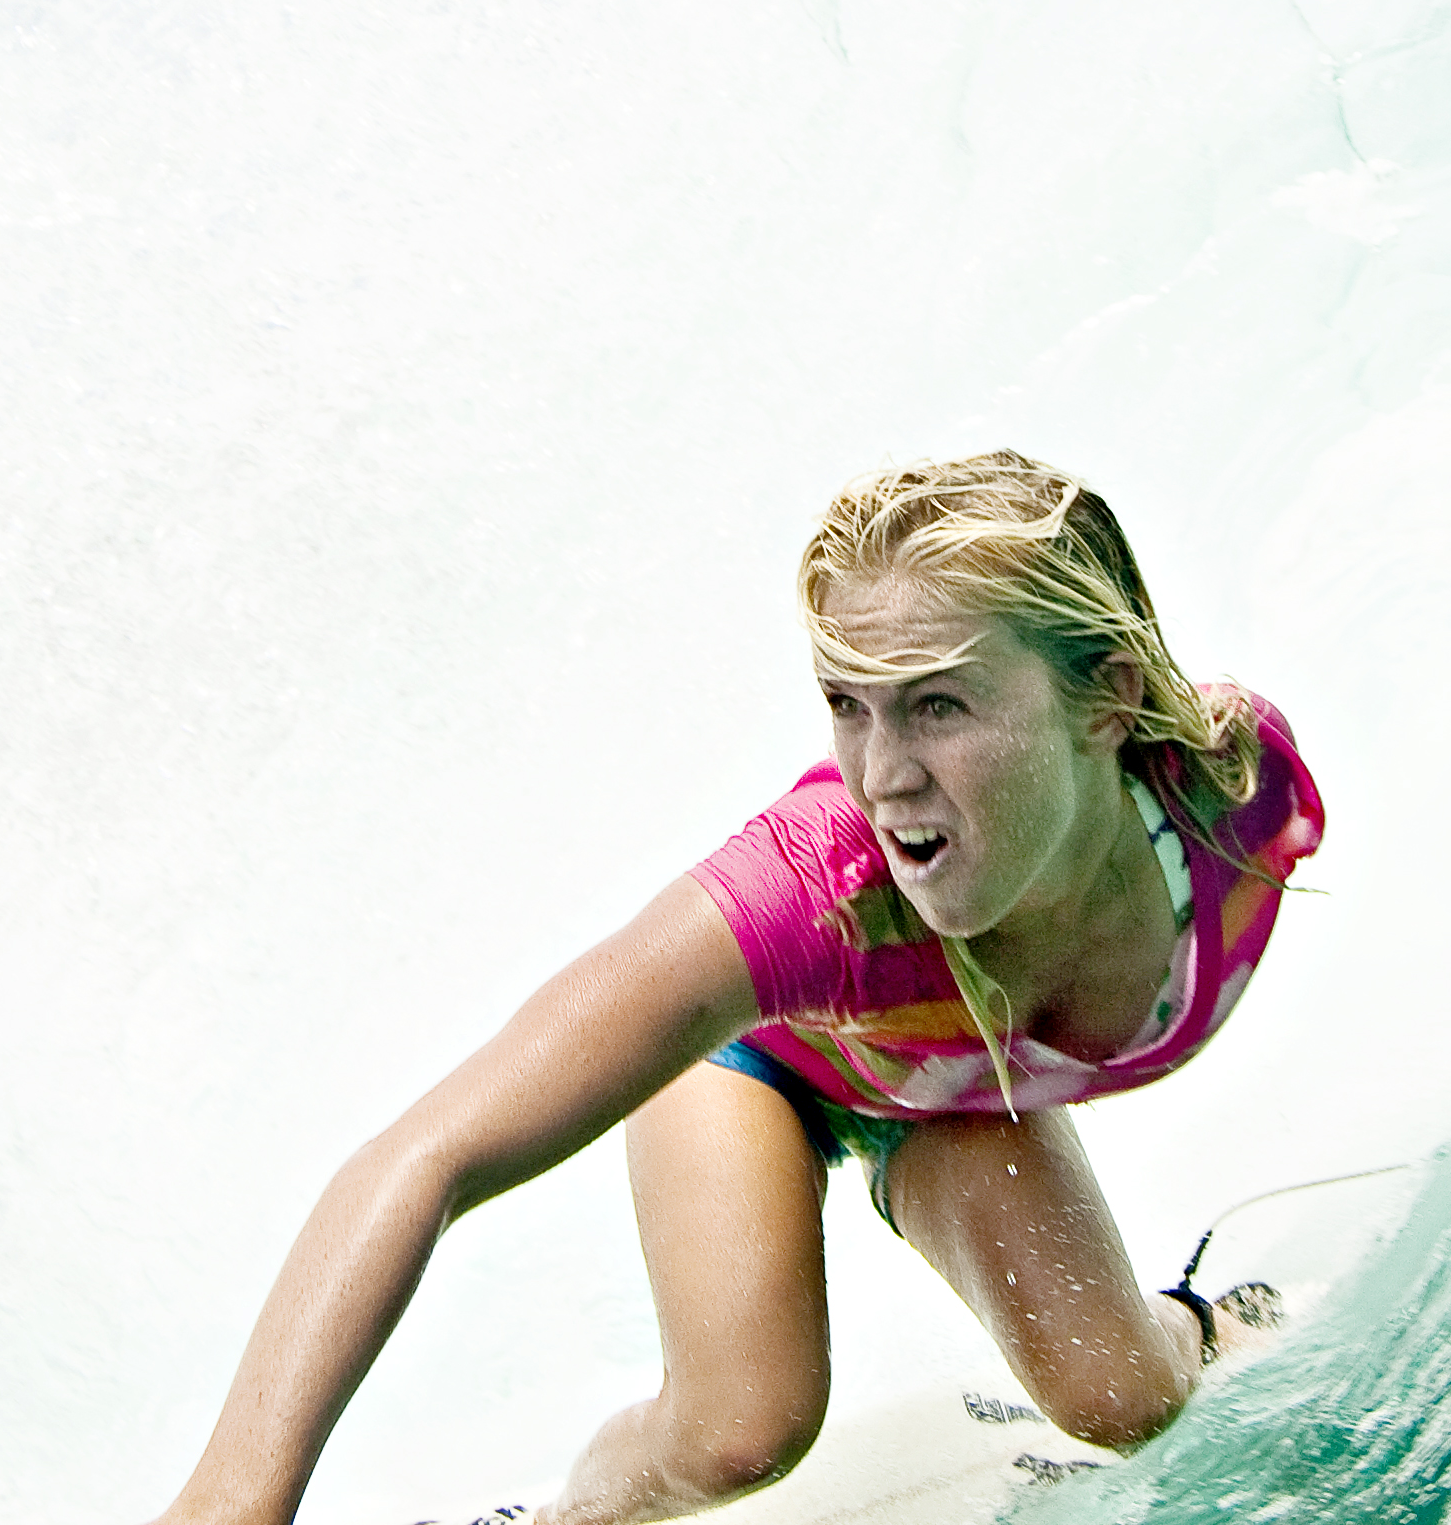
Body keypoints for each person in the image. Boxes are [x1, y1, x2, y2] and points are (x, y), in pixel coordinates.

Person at [144, 451, 1327, 1525]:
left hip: (952, 1080)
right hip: (761, 1062)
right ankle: (560, 1519)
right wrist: (228, 1506)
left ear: (1107, 698)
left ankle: (1198, 1319)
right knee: (740, 1432)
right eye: (846, 704)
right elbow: (428, 1154)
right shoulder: (808, 896)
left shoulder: (1235, 792)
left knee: (1123, 1400)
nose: (882, 774)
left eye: (938, 703)